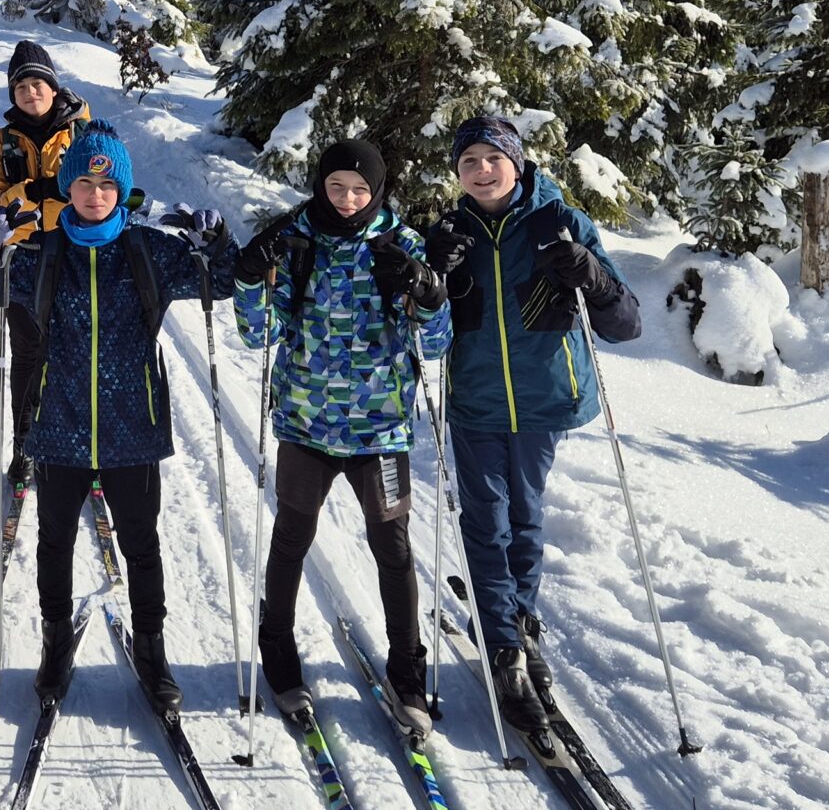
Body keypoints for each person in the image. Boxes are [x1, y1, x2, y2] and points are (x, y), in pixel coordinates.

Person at [0, 122, 234, 707]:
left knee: (141, 544)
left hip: (134, 427)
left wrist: (217, 245)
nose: (95, 194)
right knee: (54, 542)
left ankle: (152, 651)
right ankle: (55, 645)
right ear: (68, 188)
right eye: (83, 183)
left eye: (107, 185)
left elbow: (225, 283)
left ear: (122, 189)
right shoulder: (44, 251)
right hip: (59, 422)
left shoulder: (150, 250)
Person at [424, 114, 642, 733]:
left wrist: (591, 274)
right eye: (469, 161)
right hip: (476, 401)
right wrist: (431, 275)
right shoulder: (450, 233)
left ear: (517, 164)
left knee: (526, 517)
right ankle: (502, 645)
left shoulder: (559, 222)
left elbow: (626, 323)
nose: (482, 170)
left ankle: (520, 625)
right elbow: (419, 319)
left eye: (493, 158)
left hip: (546, 399)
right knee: (485, 521)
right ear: (457, 173)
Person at [234, 138, 453, 734]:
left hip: (380, 431)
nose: (348, 199)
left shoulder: (402, 245)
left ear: (378, 190)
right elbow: (259, 335)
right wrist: (250, 281)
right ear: (320, 185)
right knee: (292, 536)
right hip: (305, 425)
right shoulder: (295, 241)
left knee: (393, 548)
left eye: (359, 190)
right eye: (336, 187)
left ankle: (406, 668)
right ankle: (278, 646)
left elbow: (435, 346)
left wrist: (429, 297)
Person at [0, 39, 90, 495]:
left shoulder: (83, 132)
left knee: (77, 353)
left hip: (75, 253)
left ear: (53, 86)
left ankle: (80, 446)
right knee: (27, 356)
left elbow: (107, 186)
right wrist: (32, 191)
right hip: (22, 257)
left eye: (37, 83)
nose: (30, 92)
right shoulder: (0, 141)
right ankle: (25, 444)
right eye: (21, 86)